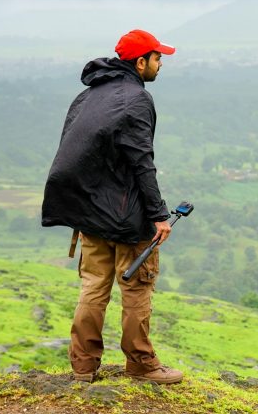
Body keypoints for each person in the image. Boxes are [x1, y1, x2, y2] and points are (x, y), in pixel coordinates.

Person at [42, 29, 183, 384]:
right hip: (127, 215)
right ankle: (142, 364)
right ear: (140, 62)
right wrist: (159, 215)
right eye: (157, 57)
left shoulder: (87, 96)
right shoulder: (137, 99)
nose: (161, 63)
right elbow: (141, 161)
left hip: (90, 213)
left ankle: (83, 366)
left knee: (93, 286)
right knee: (136, 286)